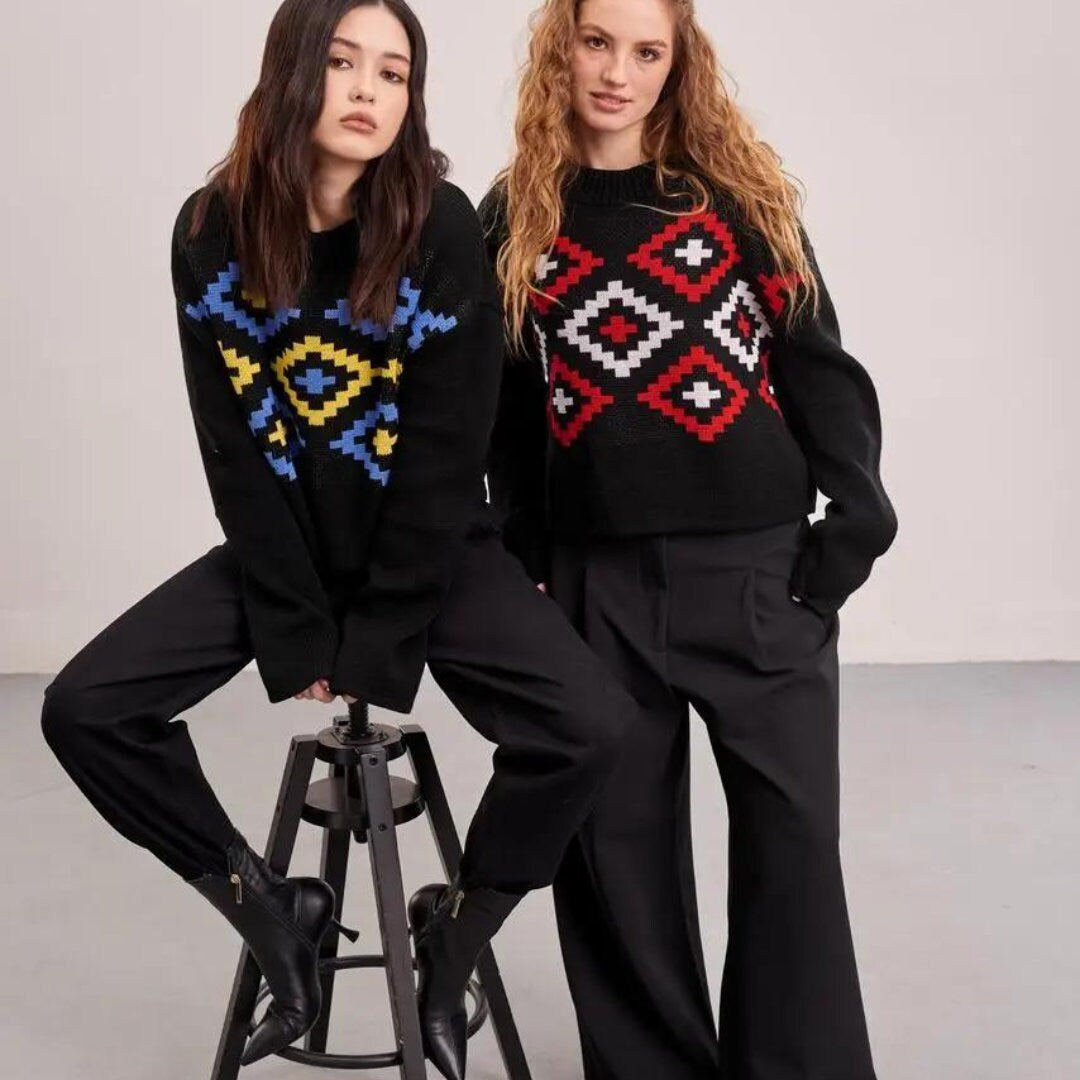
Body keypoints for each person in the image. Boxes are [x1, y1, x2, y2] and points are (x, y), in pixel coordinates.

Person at [39, 2, 634, 1076]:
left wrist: (374, 642)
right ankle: (269, 907)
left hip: (433, 556)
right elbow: (236, 450)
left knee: (590, 723)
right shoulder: (208, 233)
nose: (368, 90)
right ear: (291, 73)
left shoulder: (441, 225)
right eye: (345, 63)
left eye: (395, 72)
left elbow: (446, 460)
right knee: (84, 709)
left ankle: (455, 937)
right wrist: (294, 622)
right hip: (291, 556)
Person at [479, 0, 899, 1077]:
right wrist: (528, 564)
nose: (617, 71)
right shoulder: (515, 219)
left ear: (678, 65)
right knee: (613, 856)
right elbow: (508, 418)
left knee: (793, 850)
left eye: (646, 51)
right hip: (595, 584)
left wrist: (847, 537)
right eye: (597, 42)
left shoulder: (738, 202)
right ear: (559, 47)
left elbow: (822, 370)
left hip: (758, 572)